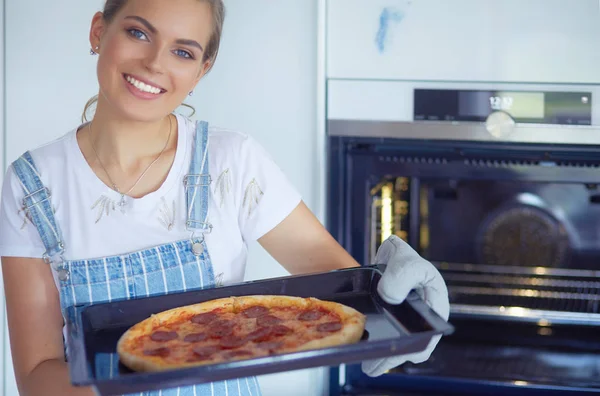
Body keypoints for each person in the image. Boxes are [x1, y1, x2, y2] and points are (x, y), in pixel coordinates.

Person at [0, 0, 450, 395]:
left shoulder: (231, 163)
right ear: (99, 31)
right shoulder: (32, 186)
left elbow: (343, 293)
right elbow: (38, 374)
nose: (155, 63)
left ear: (202, 69)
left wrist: (400, 296)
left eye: (182, 51)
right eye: (138, 32)